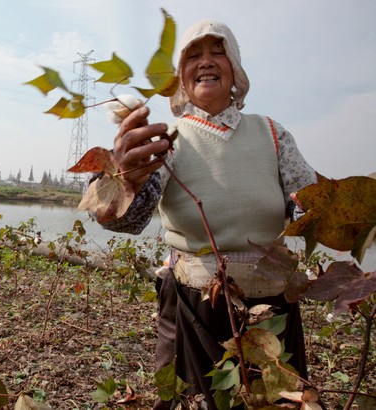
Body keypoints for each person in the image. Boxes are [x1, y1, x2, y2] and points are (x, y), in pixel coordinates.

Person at [95, 20, 317, 408]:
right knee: (192, 400)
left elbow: (308, 203)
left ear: (235, 69)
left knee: (277, 401)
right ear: (181, 75)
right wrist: (121, 180)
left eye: (218, 51)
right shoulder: (166, 141)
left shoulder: (272, 133)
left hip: (271, 307)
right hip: (193, 304)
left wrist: (321, 206)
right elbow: (125, 220)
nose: (206, 62)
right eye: (193, 55)